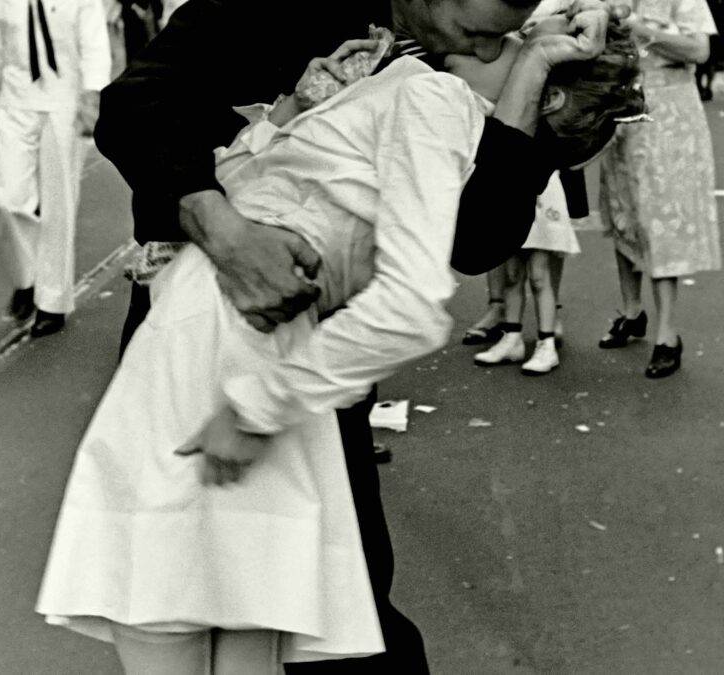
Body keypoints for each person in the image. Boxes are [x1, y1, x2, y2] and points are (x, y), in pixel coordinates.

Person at [37, 19, 644, 673]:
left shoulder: (433, 98)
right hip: (269, 349)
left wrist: (257, 404)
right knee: (245, 609)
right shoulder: (440, 109)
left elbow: (420, 290)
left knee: (164, 600)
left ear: (542, 93)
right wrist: (298, 111)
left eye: (510, 40)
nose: (487, 43)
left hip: (219, 337)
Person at [0, 0, 111, 337]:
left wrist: (91, 101)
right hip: (14, 105)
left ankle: (52, 303)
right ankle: (26, 278)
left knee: (59, 207)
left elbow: (94, 47)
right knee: (8, 199)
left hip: (65, 104)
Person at [596, 0, 719, 379]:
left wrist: (640, 28)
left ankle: (668, 335)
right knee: (622, 210)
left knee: (661, 217)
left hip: (669, 112)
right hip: (620, 106)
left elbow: (699, 49)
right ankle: (632, 311)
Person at [470, 171, 581, 374]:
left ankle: (546, 344)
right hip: (509, 189)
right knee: (512, 274)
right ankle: (512, 338)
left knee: (539, 275)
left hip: (540, 190)